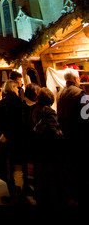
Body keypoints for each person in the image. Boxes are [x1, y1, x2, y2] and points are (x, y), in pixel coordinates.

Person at [57, 69, 89, 205]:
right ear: (76, 79)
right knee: (83, 170)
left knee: (72, 170)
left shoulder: (60, 93)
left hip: (66, 138)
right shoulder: (81, 94)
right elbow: (87, 118)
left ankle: (73, 196)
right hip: (80, 139)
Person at [33, 87, 65, 205]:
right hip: (49, 149)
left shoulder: (36, 109)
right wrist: (60, 135)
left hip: (39, 148)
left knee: (42, 175)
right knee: (52, 177)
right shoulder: (49, 112)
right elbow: (52, 131)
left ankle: (42, 198)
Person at [0, 79, 25, 204]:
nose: (18, 89)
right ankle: (19, 194)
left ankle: (12, 193)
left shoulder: (3, 103)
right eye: (17, 88)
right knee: (18, 168)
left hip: (7, 140)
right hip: (18, 139)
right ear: (13, 88)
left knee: (8, 167)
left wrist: (3, 134)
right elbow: (20, 122)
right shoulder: (19, 102)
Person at [21, 82, 41, 196]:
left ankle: (25, 186)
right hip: (33, 140)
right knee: (36, 165)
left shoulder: (21, 105)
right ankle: (37, 188)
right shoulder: (36, 108)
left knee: (24, 165)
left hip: (24, 140)